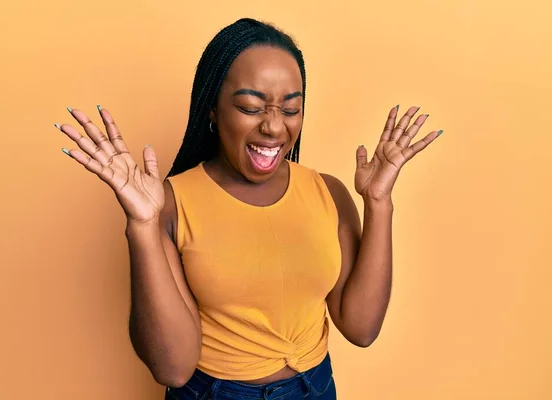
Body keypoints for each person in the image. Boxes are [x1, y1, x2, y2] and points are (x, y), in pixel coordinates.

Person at [56, 17, 442, 400]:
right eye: (250, 106)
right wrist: (142, 224)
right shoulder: (169, 204)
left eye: (291, 109)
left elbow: (361, 328)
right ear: (213, 109)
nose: (274, 127)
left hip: (316, 387)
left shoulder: (328, 193)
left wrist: (378, 202)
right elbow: (172, 368)